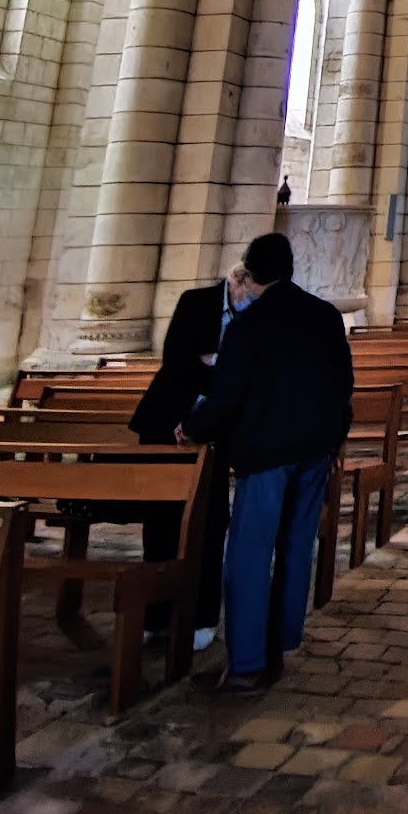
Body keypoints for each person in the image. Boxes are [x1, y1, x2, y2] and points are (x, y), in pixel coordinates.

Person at [183, 232, 353, 693]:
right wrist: (337, 436)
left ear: (252, 272)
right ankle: (281, 641)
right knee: (297, 545)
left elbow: (227, 394)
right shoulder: (325, 315)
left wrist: (194, 429)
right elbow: (343, 383)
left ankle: (246, 663)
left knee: (250, 552)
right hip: (315, 447)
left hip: (266, 451)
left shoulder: (249, 324)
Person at [129, 263, 252, 650]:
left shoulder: (257, 315)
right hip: (165, 424)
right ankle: (156, 616)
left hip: (216, 433)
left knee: (211, 522)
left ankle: (201, 617)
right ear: (238, 282)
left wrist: (213, 369)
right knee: (160, 520)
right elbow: (176, 361)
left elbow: (248, 376)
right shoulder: (196, 302)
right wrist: (220, 376)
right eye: (251, 289)